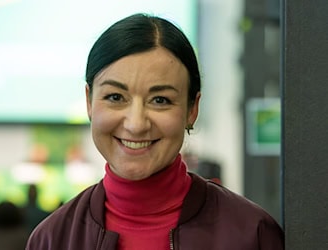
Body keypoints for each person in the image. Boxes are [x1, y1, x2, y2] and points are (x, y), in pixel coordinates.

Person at [25, 13, 284, 249]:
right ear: (89, 101)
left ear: (192, 109)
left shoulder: (252, 234)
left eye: (160, 100)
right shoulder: (52, 239)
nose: (136, 124)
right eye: (115, 96)